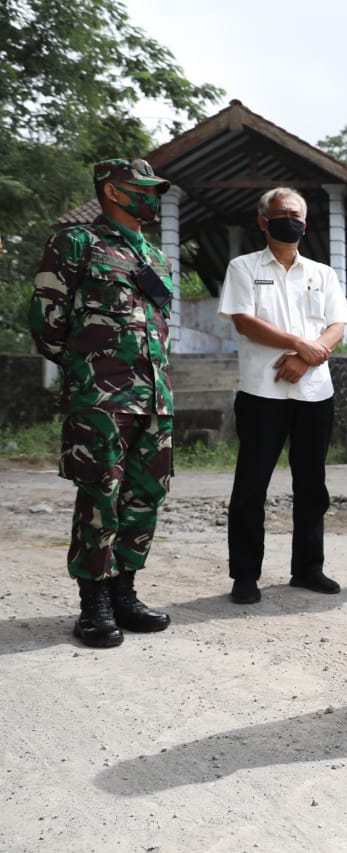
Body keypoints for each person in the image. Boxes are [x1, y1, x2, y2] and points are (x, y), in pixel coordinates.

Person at [28, 158, 176, 648]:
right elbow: (48, 323)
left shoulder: (155, 257)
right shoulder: (75, 243)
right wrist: (85, 374)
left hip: (154, 398)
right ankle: (93, 605)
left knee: (144, 496)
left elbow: (158, 329)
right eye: (144, 189)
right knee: (99, 498)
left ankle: (124, 595)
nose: (153, 197)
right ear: (112, 191)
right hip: (101, 398)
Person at [218, 187, 347, 605]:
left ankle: (308, 568)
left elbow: (337, 324)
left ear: (306, 223)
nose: (289, 219)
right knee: (251, 487)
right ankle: (245, 576)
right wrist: (300, 345)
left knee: (312, 485)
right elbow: (245, 321)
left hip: (315, 392)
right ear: (263, 221)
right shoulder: (243, 267)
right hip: (262, 392)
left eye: (296, 213)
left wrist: (311, 357)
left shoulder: (322, 273)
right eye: (280, 213)